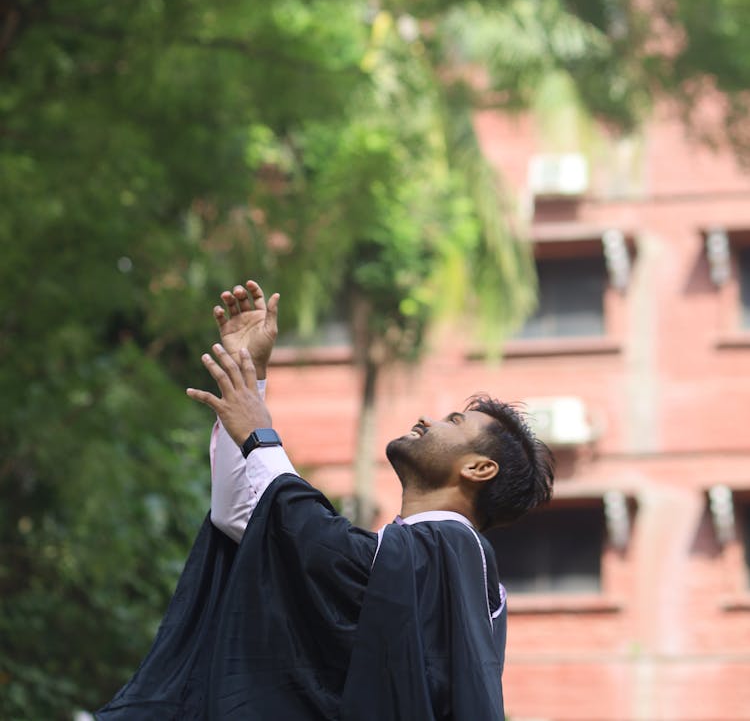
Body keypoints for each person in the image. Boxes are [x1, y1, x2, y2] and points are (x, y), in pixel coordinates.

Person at [96, 281, 554, 721]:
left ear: (478, 469)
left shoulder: (459, 551)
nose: (426, 419)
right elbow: (243, 520)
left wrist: (260, 437)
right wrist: (248, 376)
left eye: (454, 421)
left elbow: (329, 553)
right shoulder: (413, 559)